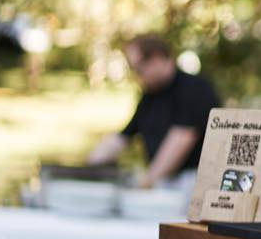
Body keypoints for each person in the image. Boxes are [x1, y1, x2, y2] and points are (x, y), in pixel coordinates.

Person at [86, 35, 222, 189]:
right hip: (163, 182)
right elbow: (122, 137)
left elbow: (181, 140)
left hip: (193, 183)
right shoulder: (151, 95)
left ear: (157, 57)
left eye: (139, 69)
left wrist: (147, 182)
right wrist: (88, 168)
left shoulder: (194, 88)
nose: (137, 76)